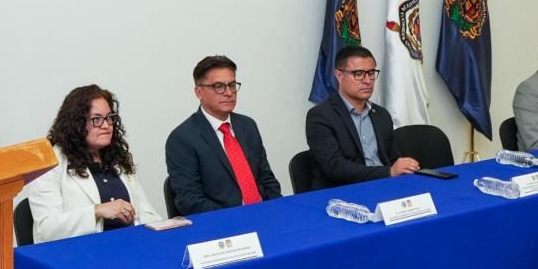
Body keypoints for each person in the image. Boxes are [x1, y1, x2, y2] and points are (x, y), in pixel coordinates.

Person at [26, 84, 163, 241]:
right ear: (76, 124)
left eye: (109, 118)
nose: (106, 125)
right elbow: (46, 230)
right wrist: (96, 211)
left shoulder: (120, 158)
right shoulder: (47, 163)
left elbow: (149, 214)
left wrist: (138, 221)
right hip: (78, 254)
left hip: (128, 245)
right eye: (96, 119)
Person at [165, 55, 282, 214]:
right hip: (224, 224)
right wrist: (237, 218)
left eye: (232, 85)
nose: (228, 93)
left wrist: (278, 210)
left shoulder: (247, 125)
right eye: (218, 86)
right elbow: (190, 201)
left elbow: (267, 180)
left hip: (265, 214)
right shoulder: (182, 139)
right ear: (199, 92)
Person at [306, 44, 419, 186]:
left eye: (371, 73)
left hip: (385, 186)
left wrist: (405, 167)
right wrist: (387, 172)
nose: (367, 81)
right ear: (339, 76)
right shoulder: (320, 116)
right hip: (344, 192)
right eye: (358, 74)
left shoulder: (381, 115)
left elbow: (392, 158)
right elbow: (334, 167)